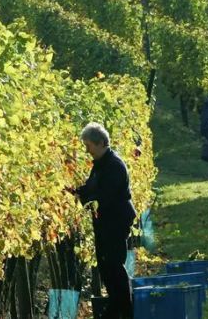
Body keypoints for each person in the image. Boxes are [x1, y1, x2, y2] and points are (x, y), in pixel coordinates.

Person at [66, 122, 137, 319]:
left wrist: (85, 198)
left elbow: (104, 197)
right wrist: (75, 191)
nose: (86, 150)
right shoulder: (101, 165)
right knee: (107, 268)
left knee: (114, 266)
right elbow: (91, 189)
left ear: (100, 143)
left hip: (115, 221)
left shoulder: (114, 166)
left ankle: (123, 310)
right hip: (105, 222)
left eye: (88, 145)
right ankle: (118, 309)